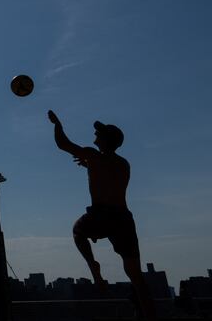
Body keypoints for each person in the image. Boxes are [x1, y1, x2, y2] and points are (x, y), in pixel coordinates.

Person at [47, 110, 155, 320]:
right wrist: (89, 165)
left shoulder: (93, 156)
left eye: (99, 134)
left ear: (105, 141)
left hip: (102, 215)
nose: (95, 136)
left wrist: (56, 124)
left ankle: (94, 267)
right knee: (136, 277)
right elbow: (108, 173)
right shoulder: (123, 164)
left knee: (78, 230)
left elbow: (63, 144)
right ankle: (151, 316)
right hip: (123, 218)